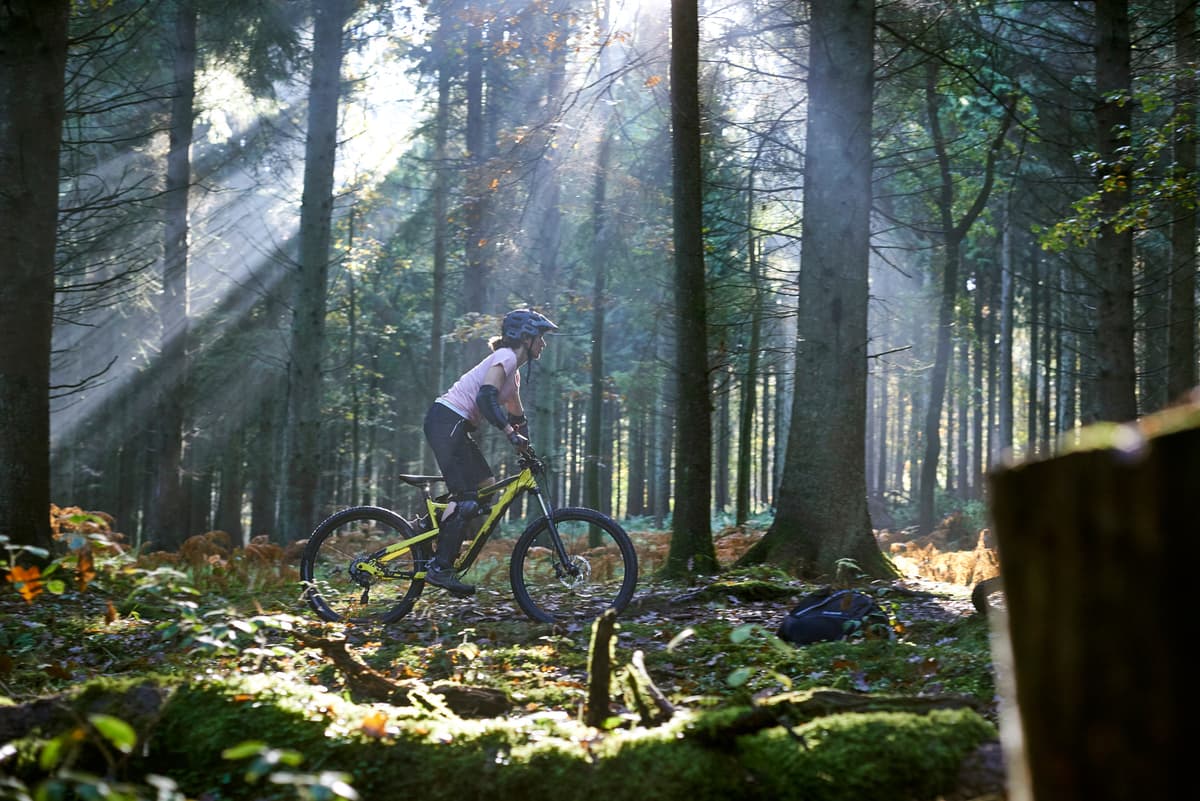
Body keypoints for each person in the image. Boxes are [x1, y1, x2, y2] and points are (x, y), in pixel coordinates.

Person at [421, 308, 558, 596]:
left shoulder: (513, 373)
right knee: (467, 500)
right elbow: (486, 398)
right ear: (526, 337)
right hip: (446, 421)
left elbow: (517, 416)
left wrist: (527, 447)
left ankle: (426, 530)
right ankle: (440, 568)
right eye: (540, 337)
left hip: (455, 426)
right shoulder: (505, 357)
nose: (543, 344)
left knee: (485, 487)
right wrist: (510, 435)